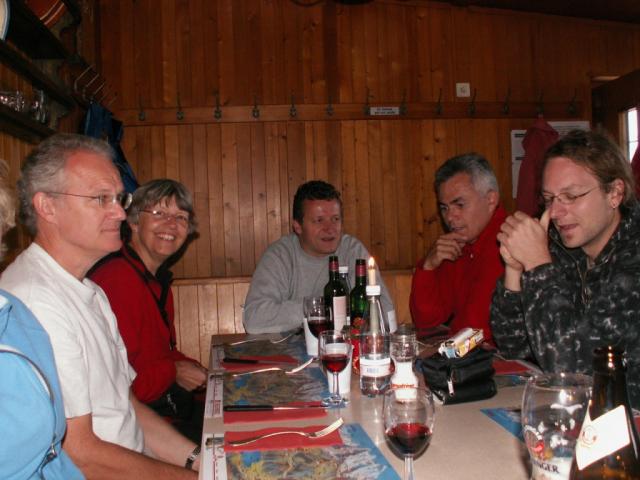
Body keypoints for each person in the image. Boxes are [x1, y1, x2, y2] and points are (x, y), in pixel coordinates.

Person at [0, 134, 199, 478]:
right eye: (101, 198)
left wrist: (200, 460)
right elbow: (81, 456)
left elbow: (127, 409)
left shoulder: (91, 291)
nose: (120, 212)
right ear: (47, 206)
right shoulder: (34, 302)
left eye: (119, 198)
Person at [491, 129, 640, 408]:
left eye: (571, 196)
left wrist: (538, 264)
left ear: (615, 193)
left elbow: (573, 370)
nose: (557, 213)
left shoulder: (633, 261)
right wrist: (514, 269)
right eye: (549, 199)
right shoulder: (563, 248)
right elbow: (513, 347)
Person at [89, 179, 207, 443]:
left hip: (157, 413)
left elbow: (160, 353)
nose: (171, 224)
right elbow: (119, 390)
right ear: (133, 222)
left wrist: (206, 374)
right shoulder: (117, 279)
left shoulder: (156, 281)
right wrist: (175, 371)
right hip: (131, 429)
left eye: (181, 217)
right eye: (159, 213)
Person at [0, 160, 84, 479]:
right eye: (101, 198)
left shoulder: (17, 316)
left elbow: (55, 459)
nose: (119, 212)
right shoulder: (32, 295)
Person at [243, 180, 395, 334]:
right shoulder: (280, 255)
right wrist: (320, 306)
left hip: (346, 347)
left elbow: (386, 314)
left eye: (335, 219)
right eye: (319, 220)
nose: (330, 229)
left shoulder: (352, 250)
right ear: (298, 226)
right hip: (293, 349)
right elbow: (254, 319)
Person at [409, 153, 506, 343]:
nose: (450, 217)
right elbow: (425, 321)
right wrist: (428, 267)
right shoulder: (459, 244)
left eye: (459, 205)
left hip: (500, 358)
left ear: (491, 199)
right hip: (465, 354)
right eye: (444, 208)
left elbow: (476, 331)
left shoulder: (511, 242)